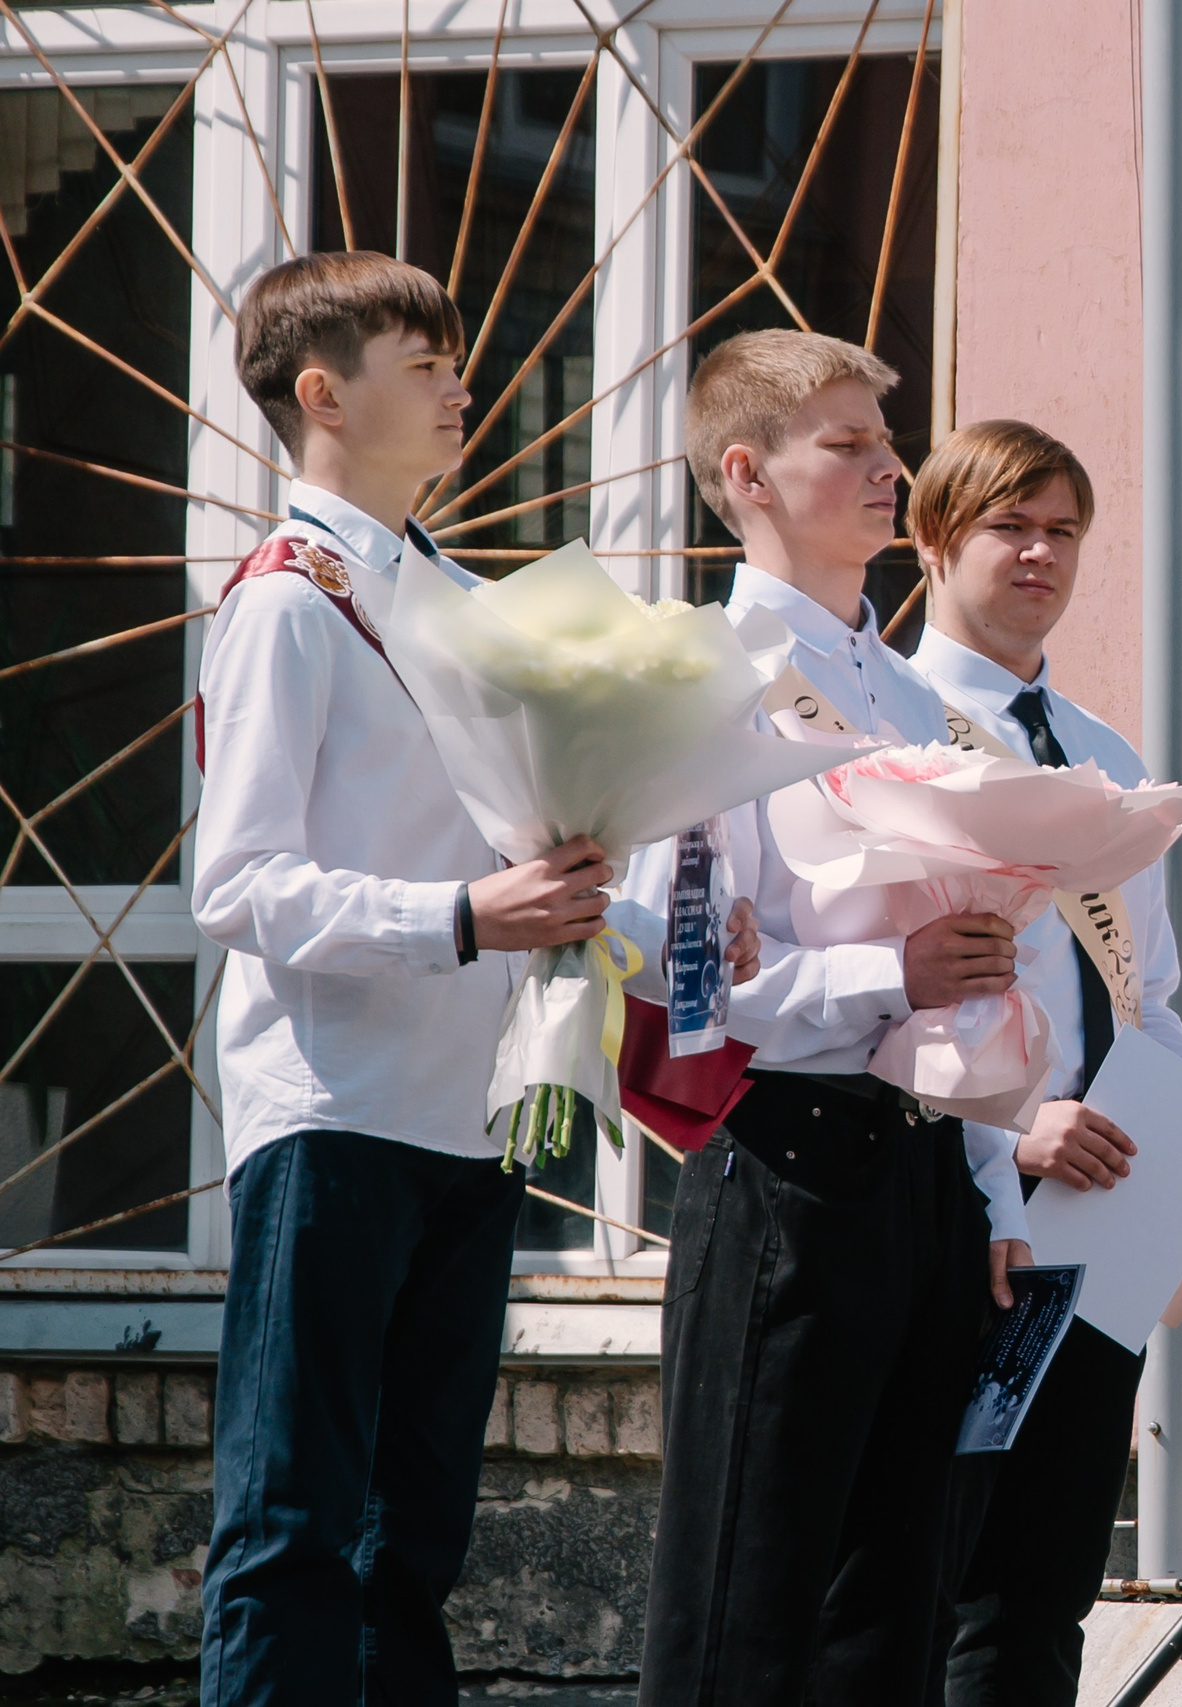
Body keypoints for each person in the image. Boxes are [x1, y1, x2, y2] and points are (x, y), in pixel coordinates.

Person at [192, 251, 617, 1705]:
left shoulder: (453, 589)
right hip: (336, 1099)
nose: (461, 389)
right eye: (425, 364)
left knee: (413, 1537)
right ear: (322, 392)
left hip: (469, 1102)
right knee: (294, 1521)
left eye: (456, 361)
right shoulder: (286, 599)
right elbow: (236, 882)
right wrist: (461, 913)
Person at [634, 330, 1017, 1704]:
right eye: (847, 444)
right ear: (746, 473)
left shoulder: (914, 692)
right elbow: (673, 977)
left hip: (922, 1169)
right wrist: (881, 980)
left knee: (891, 1610)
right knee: (746, 1594)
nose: (888, 467)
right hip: (785, 1156)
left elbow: (970, 956)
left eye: (884, 439)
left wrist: (986, 1176)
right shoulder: (701, 676)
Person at [906, 418, 1182, 1707]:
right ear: (936, 539)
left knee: (1047, 1582)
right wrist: (1010, 1142)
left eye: (1063, 530)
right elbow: (872, 1015)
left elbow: (1149, 995)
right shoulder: (894, 730)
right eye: (1009, 525)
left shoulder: (1102, 749)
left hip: (1102, 1213)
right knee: (939, 1578)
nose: (1040, 553)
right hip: (959, 1214)